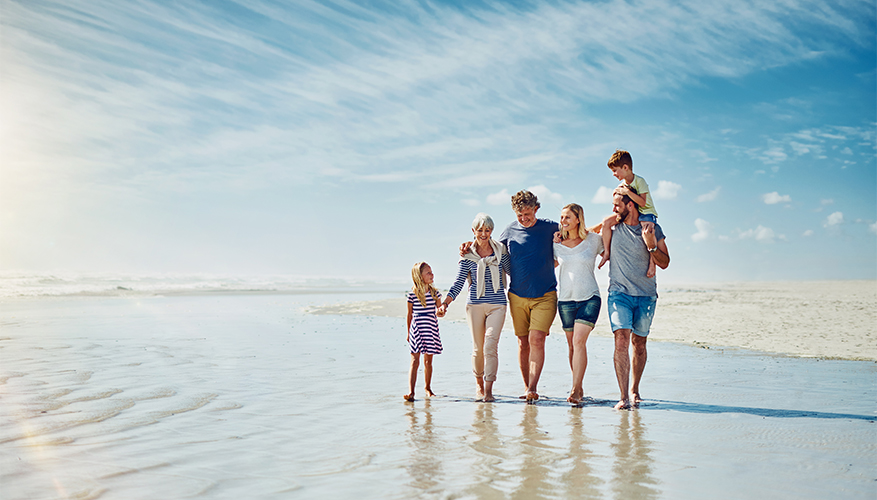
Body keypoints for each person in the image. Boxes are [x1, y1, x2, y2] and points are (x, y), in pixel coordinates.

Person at [462, 190, 557, 402]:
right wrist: (467, 246)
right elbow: (488, 247)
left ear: (536, 209)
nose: (523, 218)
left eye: (527, 214)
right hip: (517, 295)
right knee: (523, 342)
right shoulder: (509, 231)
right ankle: (526, 387)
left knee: (537, 339)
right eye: (519, 215)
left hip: (545, 294)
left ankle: (533, 387)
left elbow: (575, 233)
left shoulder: (550, 227)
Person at [605, 189, 670, 410]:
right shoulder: (612, 227)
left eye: (617, 205)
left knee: (639, 343)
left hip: (646, 296)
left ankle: (635, 390)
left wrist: (650, 245)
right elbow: (585, 232)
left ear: (630, 205)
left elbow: (665, 262)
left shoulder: (652, 228)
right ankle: (623, 397)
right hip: (619, 294)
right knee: (621, 339)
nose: (614, 209)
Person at [442, 213, 511, 403]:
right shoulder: (468, 255)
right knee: (478, 348)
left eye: (487, 230)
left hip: (497, 304)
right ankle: (479, 385)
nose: (483, 233)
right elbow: (458, 283)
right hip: (474, 305)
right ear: (473, 231)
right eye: (479, 230)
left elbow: (514, 272)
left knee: (490, 345)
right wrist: (445, 303)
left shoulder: (500, 251)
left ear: (491, 231)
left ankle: (489, 390)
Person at [553, 203, 604, 405]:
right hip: (565, 300)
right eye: (562, 217)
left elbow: (609, 226)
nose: (563, 221)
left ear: (578, 219)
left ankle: (574, 389)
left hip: (589, 297)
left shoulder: (593, 240)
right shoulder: (556, 244)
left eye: (567, 217)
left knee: (578, 342)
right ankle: (579, 386)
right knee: (572, 347)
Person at [598, 149, 660, 278]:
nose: (613, 174)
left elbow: (642, 203)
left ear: (625, 167)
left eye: (615, 170)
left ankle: (652, 263)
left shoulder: (640, 181)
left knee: (647, 232)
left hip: (647, 213)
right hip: (631, 211)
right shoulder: (623, 185)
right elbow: (622, 198)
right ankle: (607, 252)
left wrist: (627, 193)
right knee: (606, 222)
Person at [405, 262, 445, 402]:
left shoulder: (435, 293)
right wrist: (409, 333)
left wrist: (441, 312)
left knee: (428, 361)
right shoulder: (412, 294)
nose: (432, 274)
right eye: (428, 272)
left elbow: (440, 310)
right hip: (417, 329)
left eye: (432, 272)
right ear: (419, 276)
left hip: (430, 328)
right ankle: (411, 392)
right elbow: (409, 315)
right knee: (414, 361)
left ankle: (428, 388)